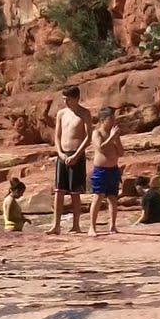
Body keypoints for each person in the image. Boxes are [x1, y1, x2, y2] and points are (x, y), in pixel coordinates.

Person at [47, 85, 92, 235]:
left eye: (68, 99)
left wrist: (76, 156)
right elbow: (57, 136)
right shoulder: (61, 113)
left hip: (76, 155)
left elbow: (88, 137)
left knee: (75, 192)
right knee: (59, 191)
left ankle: (76, 225)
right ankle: (56, 225)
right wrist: (59, 152)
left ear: (77, 98)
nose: (65, 102)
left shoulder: (84, 113)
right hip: (63, 154)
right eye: (64, 99)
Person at [87, 106, 123, 235]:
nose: (113, 121)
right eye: (110, 118)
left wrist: (116, 139)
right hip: (101, 170)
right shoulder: (97, 133)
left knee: (113, 198)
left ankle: (112, 225)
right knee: (98, 196)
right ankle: (92, 227)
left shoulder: (114, 134)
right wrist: (111, 137)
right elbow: (101, 148)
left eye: (113, 118)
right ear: (103, 120)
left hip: (113, 170)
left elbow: (121, 152)